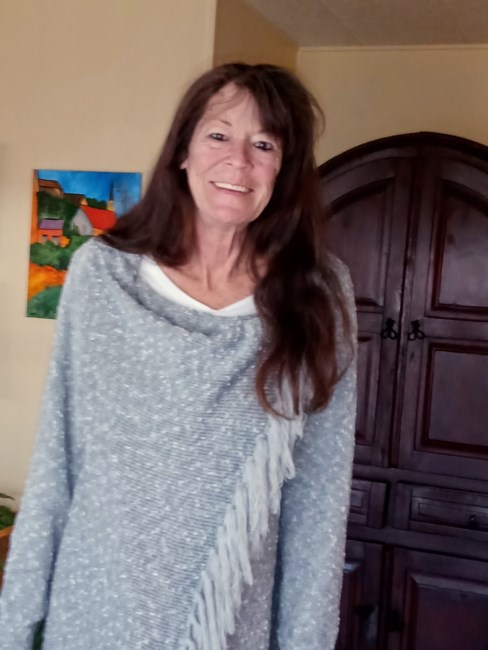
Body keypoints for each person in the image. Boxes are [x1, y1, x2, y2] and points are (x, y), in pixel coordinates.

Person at [0, 63, 357, 650]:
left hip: (230, 624)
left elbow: (319, 499)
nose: (238, 161)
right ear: (183, 152)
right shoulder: (104, 277)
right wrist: (14, 628)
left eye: (264, 144)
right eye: (219, 134)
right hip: (96, 611)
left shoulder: (318, 295)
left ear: (285, 169)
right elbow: (57, 460)